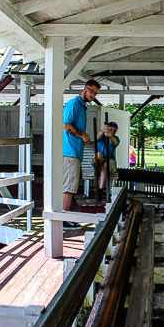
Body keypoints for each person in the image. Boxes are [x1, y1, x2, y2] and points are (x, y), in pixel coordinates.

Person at [62, 79, 101, 228]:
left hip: (75, 150)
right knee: (69, 186)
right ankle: (63, 219)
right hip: (70, 151)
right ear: (84, 88)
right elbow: (66, 124)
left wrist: (82, 137)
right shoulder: (74, 104)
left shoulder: (83, 107)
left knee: (70, 184)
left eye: (95, 93)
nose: (93, 95)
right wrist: (82, 135)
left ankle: (63, 216)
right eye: (91, 91)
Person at [93, 121, 120, 191]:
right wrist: (103, 130)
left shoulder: (116, 138)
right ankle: (97, 166)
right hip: (100, 158)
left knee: (105, 165)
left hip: (110, 160)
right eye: (111, 129)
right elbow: (97, 137)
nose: (112, 131)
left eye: (114, 130)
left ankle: (100, 189)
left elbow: (114, 143)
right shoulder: (101, 136)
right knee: (98, 154)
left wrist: (110, 136)